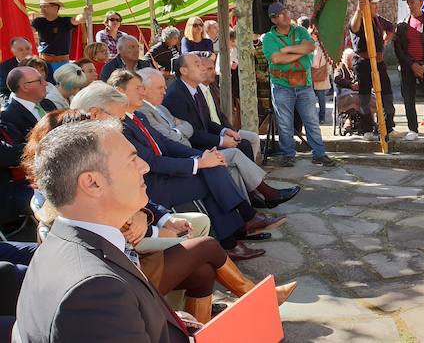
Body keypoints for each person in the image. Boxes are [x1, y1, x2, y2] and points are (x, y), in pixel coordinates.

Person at [11, 119, 194, 342]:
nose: (145, 166)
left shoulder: (63, 243)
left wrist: (164, 322)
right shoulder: (93, 290)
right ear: (92, 183)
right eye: (132, 159)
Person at [71, 79, 283, 261]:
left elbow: (166, 143)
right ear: (95, 113)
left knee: (212, 170)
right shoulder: (92, 150)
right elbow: (150, 164)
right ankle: (239, 227)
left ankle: (236, 234)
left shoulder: (134, 119)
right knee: (210, 174)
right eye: (138, 88)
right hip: (153, 185)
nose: (143, 92)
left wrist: (200, 158)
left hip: (152, 186)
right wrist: (198, 163)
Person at [137, 68, 297, 208]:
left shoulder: (162, 107)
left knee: (244, 146)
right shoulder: (157, 104)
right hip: (187, 153)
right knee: (234, 153)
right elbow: (172, 136)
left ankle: (250, 205)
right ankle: (264, 195)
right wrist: (216, 141)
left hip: (190, 147)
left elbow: (193, 125)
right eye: (159, 88)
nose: (164, 91)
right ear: (143, 89)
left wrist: (224, 131)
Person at [262, 2, 336, 167]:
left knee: (311, 120)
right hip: (282, 85)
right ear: (274, 20)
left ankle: (319, 154)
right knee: (285, 123)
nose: (286, 15)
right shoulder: (269, 37)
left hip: (304, 83)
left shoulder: (300, 30)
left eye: (286, 11)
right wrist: (298, 51)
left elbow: (309, 47)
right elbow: (276, 59)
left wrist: (286, 50)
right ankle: (288, 154)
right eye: (281, 14)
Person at [163, 53, 254, 161]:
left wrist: (224, 130)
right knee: (242, 146)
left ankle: (250, 178)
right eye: (197, 65)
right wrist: (221, 141)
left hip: (205, 140)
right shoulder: (176, 95)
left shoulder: (196, 89)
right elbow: (189, 133)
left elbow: (206, 121)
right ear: (184, 71)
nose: (202, 69)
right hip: (193, 148)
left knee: (243, 143)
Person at [349, 0, 400, 141]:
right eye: (373, 4)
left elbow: (390, 27)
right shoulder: (359, 18)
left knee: (387, 95)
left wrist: (385, 40)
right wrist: (359, 10)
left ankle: (388, 127)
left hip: (378, 62)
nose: (377, 6)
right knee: (365, 97)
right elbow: (354, 26)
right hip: (363, 62)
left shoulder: (377, 20)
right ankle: (367, 130)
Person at [394, 0, 424, 141]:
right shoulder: (401, 25)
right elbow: (399, 48)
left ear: (421, 2)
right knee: (408, 98)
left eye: (412, 2)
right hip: (408, 67)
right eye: (408, 2)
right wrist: (412, 64)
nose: (409, 5)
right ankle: (412, 129)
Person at [196, 54, 261, 160]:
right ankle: (247, 173)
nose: (213, 72)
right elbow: (205, 122)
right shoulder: (196, 91)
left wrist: (230, 130)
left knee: (253, 138)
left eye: (213, 68)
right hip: (212, 134)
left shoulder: (212, 88)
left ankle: (246, 171)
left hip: (223, 129)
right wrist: (223, 134)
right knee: (244, 144)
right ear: (199, 70)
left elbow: (220, 115)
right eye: (209, 69)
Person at [30, 0, 91, 72]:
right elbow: (29, 31)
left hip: (62, 63)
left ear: (55, 7)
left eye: (45, 6)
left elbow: (76, 19)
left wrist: (84, 14)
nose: (42, 9)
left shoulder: (64, 21)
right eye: (41, 6)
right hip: (43, 63)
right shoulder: (38, 21)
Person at [1, 67, 57, 141]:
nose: (46, 83)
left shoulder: (48, 103)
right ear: (25, 87)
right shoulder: (8, 115)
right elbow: (20, 148)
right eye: (40, 80)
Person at [0, 38, 34, 104]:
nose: (25, 52)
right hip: (16, 102)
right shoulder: (4, 67)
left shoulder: (43, 64)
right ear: (13, 52)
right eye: (20, 50)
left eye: (27, 48)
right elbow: (2, 91)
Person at [310, 28, 333, 125]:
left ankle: (317, 118)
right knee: (320, 98)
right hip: (320, 75)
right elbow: (329, 62)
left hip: (313, 75)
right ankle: (321, 118)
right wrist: (328, 73)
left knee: (316, 98)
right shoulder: (324, 46)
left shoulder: (311, 46)